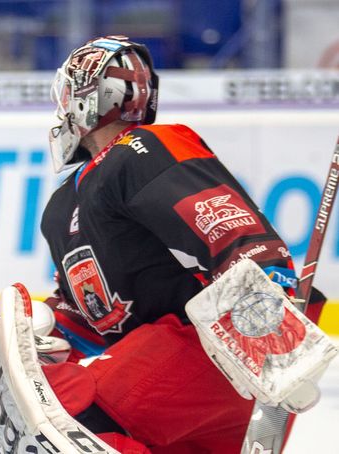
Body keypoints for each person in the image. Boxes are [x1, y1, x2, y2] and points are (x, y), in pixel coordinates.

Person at [29, 35, 327, 453]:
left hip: (214, 349)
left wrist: (268, 306)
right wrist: (38, 333)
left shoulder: (142, 149)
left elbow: (225, 222)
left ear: (82, 97)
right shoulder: (61, 208)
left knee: (68, 419)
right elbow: (94, 310)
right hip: (166, 381)